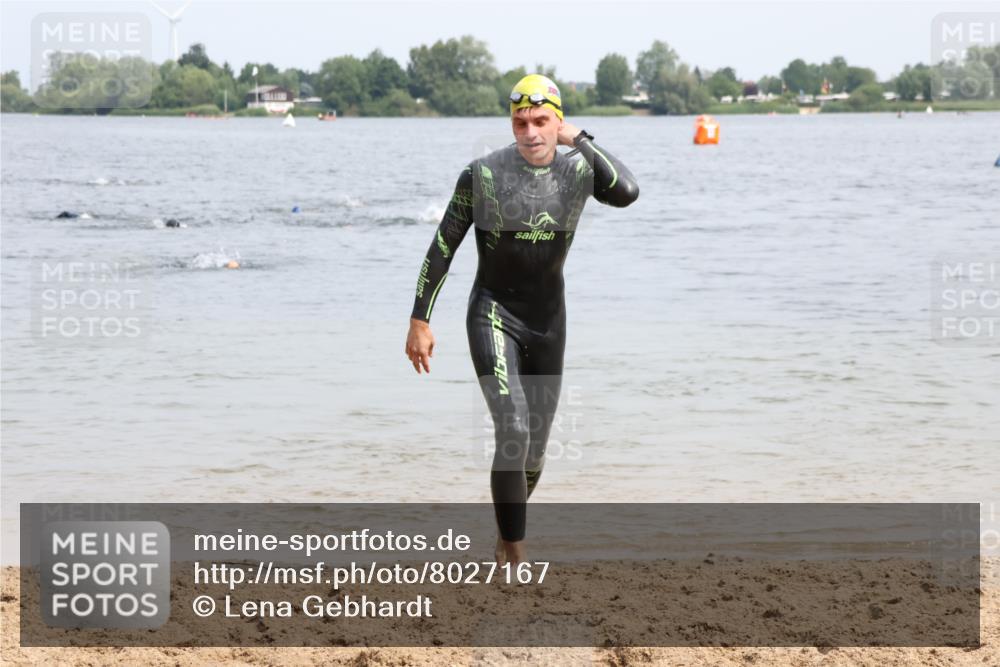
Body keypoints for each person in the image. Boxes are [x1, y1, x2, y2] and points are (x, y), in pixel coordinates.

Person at [404, 74, 639, 565]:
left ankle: (504, 534)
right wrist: (420, 319)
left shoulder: (578, 170)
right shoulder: (482, 175)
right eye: (520, 122)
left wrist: (579, 138)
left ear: (558, 120)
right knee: (511, 431)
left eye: (541, 121)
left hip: (549, 322)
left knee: (533, 454)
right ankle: (516, 554)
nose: (530, 132)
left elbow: (627, 192)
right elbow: (443, 245)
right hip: (493, 312)